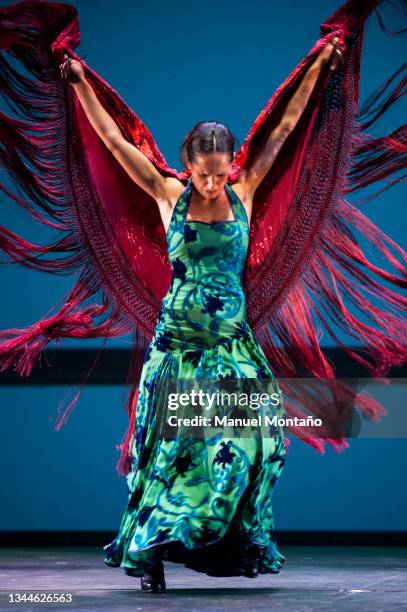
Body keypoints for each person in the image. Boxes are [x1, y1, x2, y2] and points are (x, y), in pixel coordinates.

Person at [58, 39, 343, 593]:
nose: (212, 183)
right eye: (203, 174)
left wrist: (319, 67)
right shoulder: (168, 194)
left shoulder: (247, 190)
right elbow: (114, 142)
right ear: (187, 166)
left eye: (219, 174)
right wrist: (79, 84)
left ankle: (222, 538)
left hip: (230, 341)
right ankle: (152, 553)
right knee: (173, 447)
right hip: (180, 345)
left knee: (258, 438)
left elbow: (284, 129)